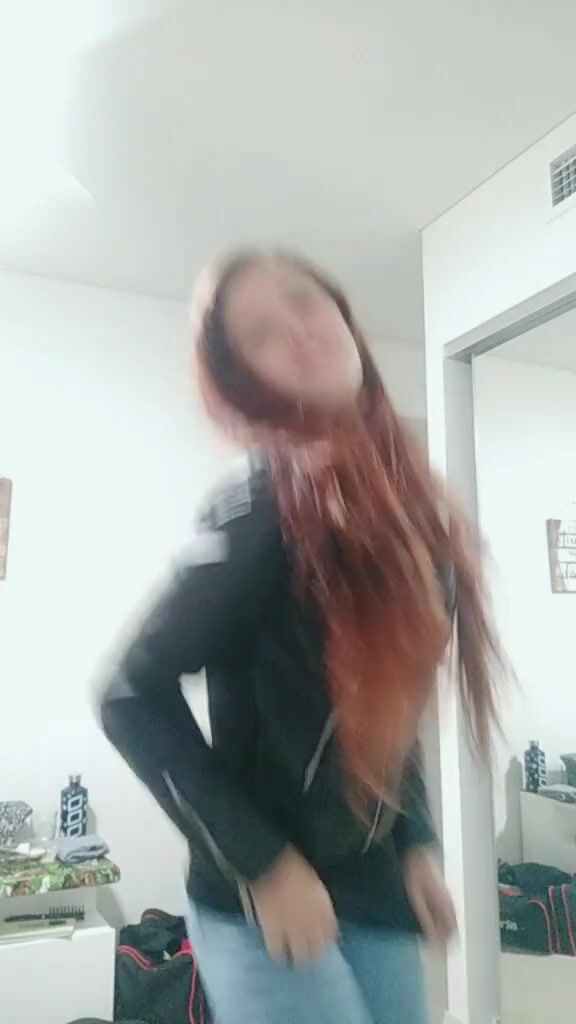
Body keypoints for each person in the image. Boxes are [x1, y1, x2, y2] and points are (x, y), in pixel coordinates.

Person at [99, 250, 500, 1024]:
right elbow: (127, 693)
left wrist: (415, 842)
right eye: (261, 334)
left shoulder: (407, 507)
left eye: (305, 302)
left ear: (344, 314)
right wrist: (265, 864)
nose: (300, 331)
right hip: (264, 900)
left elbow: (384, 707)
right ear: (242, 381)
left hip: (369, 882)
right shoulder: (260, 506)